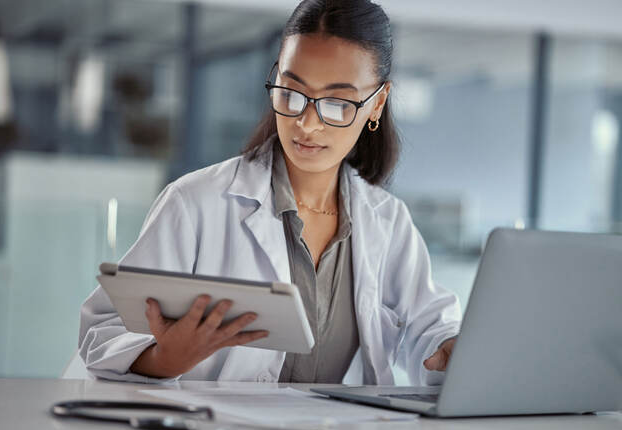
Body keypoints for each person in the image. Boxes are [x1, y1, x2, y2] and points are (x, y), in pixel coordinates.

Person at [79, 0, 460, 385]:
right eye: (292, 92)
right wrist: (164, 358)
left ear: (376, 102)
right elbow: (104, 331)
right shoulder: (195, 203)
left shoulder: (387, 221)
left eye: (337, 103)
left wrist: (450, 347)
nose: (307, 124)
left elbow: (427, 327)